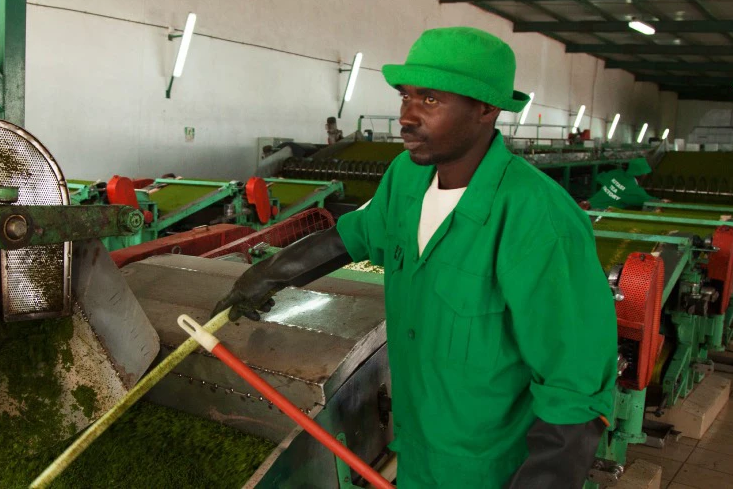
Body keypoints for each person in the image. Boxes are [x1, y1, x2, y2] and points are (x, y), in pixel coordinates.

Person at [212, 27, 616, 488]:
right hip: (415, 452)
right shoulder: (407, 177)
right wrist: (266, 276)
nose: (406, 116)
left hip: (491, 470)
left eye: (429, 101)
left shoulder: (538, 220)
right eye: (405, 97)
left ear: (486, 108)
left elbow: (575, 388)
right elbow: (355, 235)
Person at [586, 157, 656, 210]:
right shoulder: (633, 189)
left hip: (587, 204)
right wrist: (663, 202)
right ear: (642, 174)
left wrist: (612, 187)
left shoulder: (616, 173)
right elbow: (648, 200)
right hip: (598, 213)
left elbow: (599, 177)